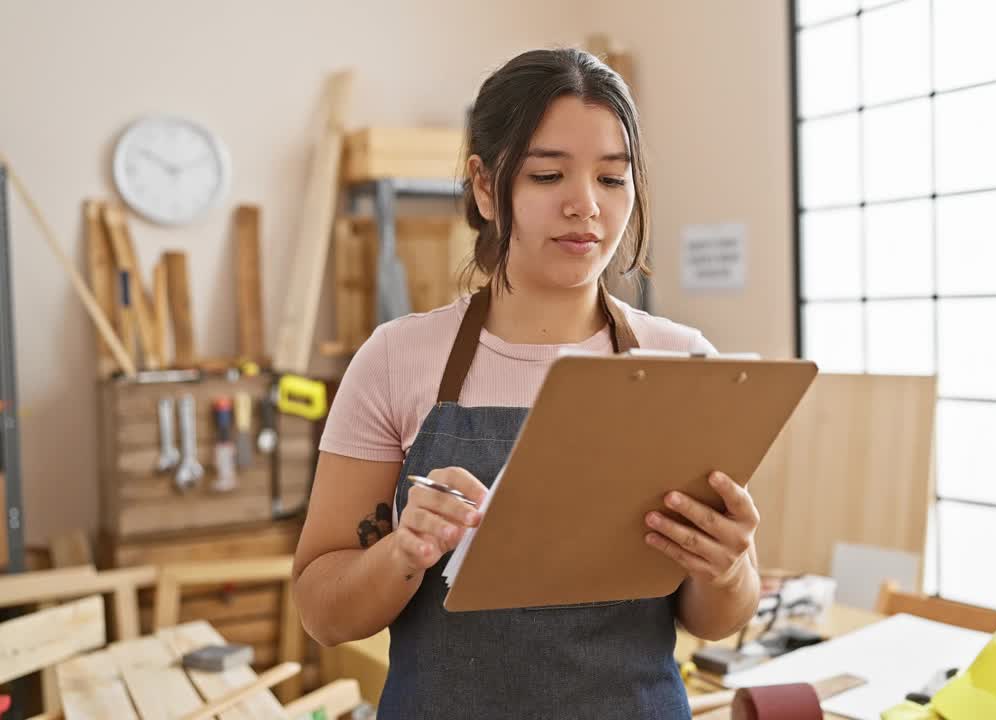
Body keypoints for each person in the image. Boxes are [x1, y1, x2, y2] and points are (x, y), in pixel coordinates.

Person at [292, 48, 761, 719]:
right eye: (548, 175)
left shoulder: (682, 364)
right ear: (485, 187)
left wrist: (728, 567)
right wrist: (405, 549)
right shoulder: (396, 360)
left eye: (611, 179)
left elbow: (715, 619)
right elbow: (322, 613)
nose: (585, 206)